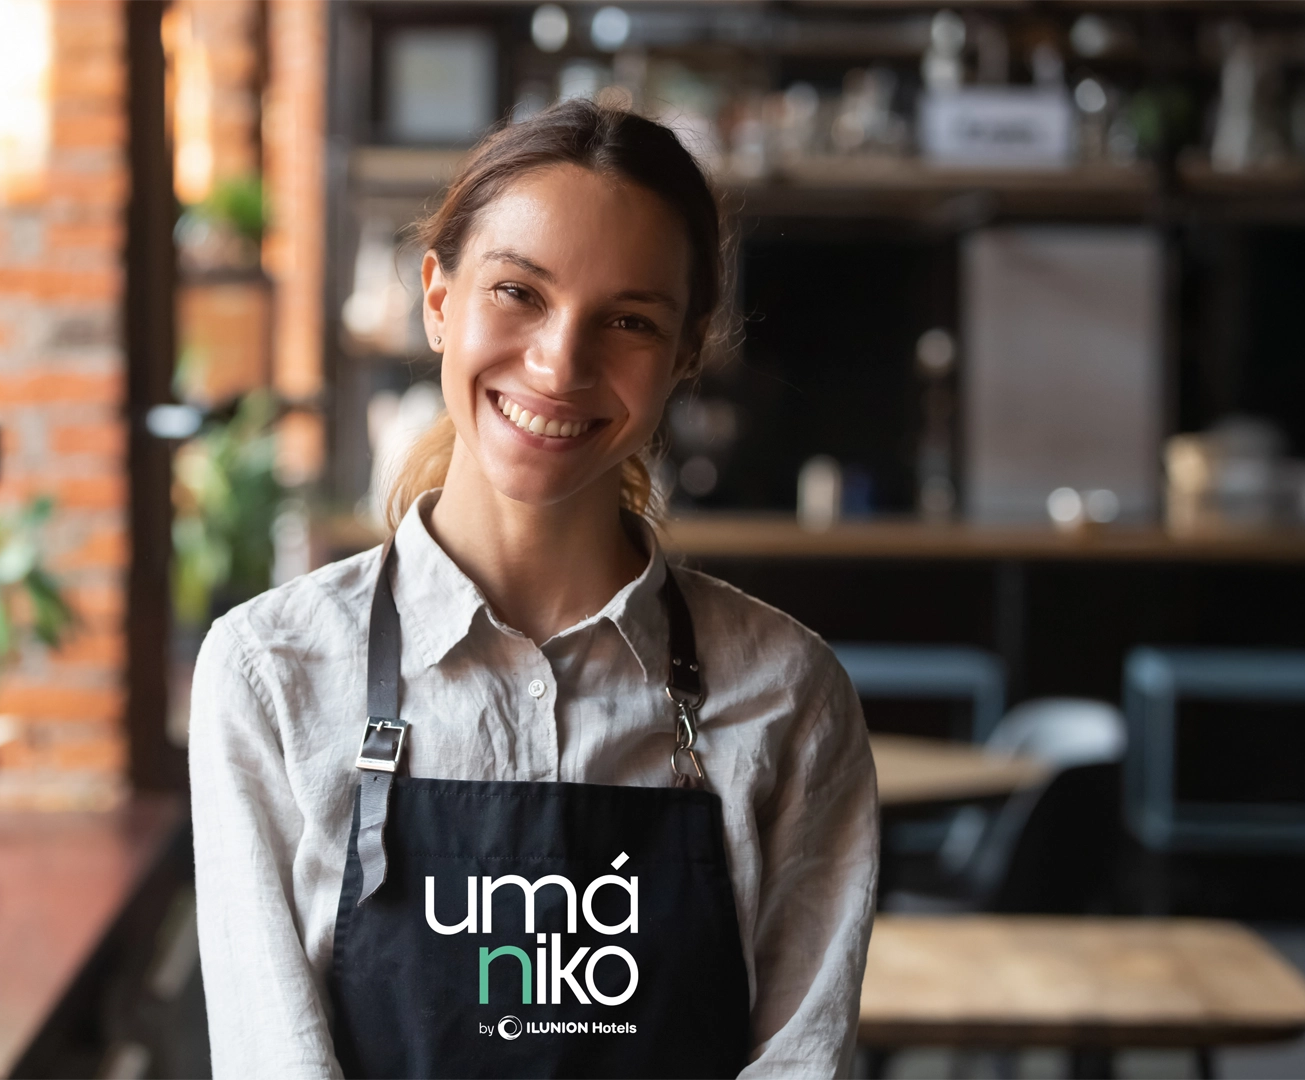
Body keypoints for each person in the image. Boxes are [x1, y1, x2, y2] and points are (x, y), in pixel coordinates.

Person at [189, 99, 878, 1080]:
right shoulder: (271, 674)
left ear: (685, 354)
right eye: (519, 292)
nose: (560, 364)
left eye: (630, 320)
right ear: (437, 299)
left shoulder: (788, 694)